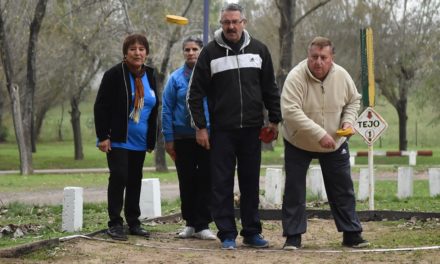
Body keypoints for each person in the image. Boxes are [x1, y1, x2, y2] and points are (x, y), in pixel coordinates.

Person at [187, 3, 281, 250]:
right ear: (221, 24)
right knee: (222, 184)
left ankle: (251, 232)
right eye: (226, 22)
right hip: (222, 131)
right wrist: (200, 127)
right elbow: (194, 94)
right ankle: (227, 233)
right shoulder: (209, 53)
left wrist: (274, 119)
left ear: (244, 22)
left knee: (250, 183)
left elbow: (270, 88)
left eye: (235, 21)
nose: (231, 26)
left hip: (252, 129)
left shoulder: (259, 50)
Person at [280, 36, 369, 250]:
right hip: (298, 141)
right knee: (294, 189)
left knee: (342, 188)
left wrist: (348, 121)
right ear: (308, 56)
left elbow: (353, 100)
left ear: (331, 58)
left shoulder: (342, 75)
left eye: (323, 57)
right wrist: (319, 133)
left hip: (335, 142)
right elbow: (290, 112)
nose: (318, 62)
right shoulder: (295, 77)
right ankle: (293, 237)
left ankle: (351, 234)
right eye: (314, 57)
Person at [94, 33, 158, 241]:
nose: (137, 53)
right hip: (119, 138)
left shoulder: (150, 74)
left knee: (134, 180)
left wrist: (151, 139)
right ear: (125, 53)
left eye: (141, 49)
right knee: (119, 176)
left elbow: (154, 107)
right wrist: (103, 136)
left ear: (146, 53)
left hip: (140, 141)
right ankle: (114, 223)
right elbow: (101, 106)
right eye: (133, 49)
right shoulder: (114, 74)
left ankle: (134, 222)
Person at [161, 36, 216, 240]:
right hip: (182, 137)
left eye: (195, 49)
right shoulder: (175, 79)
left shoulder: (211, 77)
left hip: (208, 136)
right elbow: (166, 108)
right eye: (187, 49)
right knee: (187, 180)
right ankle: (190, 223)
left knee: (206, 179)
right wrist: (168, 138)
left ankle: (203, 224)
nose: (191, 53)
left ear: (202, 51)